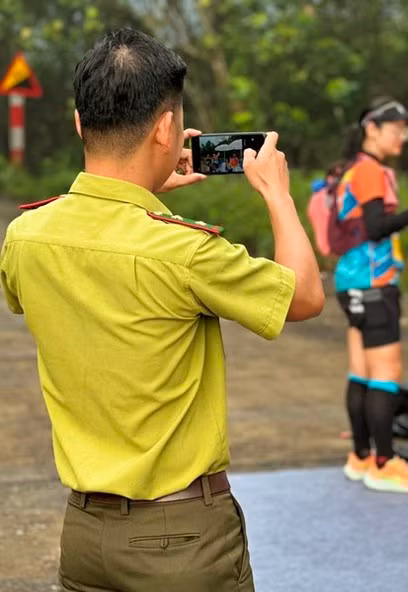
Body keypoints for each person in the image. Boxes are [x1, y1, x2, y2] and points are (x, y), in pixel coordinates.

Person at [0, 28, 324, 591]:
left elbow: (93, 254)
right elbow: (304, 297)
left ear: (79, 123)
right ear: (167, 129)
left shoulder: (24, 236)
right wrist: (277, 193)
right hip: (182, 541)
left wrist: (139, 197)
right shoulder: (183, 250)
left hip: (83, 536)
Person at [335, 96, 408, 494]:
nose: (402, 136)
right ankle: (384, 462)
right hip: (373, 284)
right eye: (397, 128)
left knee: (361, 370)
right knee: (386, 372)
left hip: (352, 282)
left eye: (405, 130)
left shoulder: (353, 170)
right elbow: (377, 227)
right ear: (372, 129)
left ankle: (361, 455)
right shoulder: (369, 171)